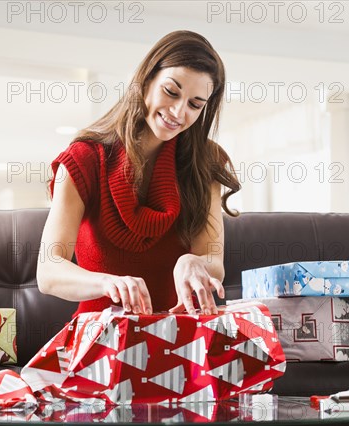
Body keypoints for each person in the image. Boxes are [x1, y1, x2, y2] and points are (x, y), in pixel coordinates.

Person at [37, 30, 241, 319]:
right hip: (101, 339)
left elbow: (213, 261)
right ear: (146, 81)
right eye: (171, 92)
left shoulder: (205, 162)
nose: (178, 112)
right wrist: (107, 282)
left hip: (177, 339)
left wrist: (193, 262)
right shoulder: (84, 159)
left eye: (195, 104)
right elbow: (48, 271)